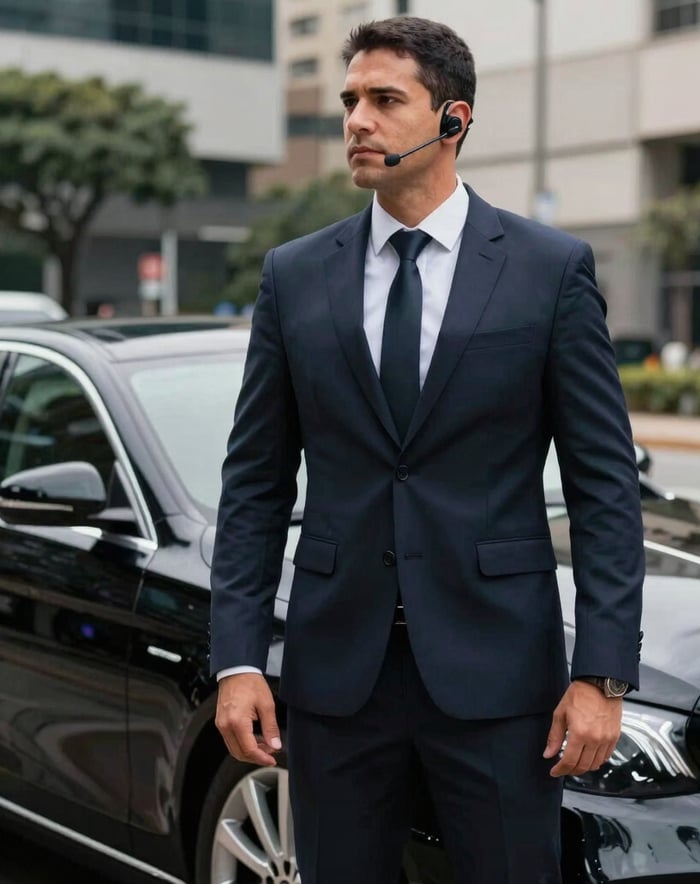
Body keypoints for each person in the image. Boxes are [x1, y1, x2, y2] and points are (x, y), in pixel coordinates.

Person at [210, 15, 644, 884]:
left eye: (384, 100)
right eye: (349, 102)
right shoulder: (294, 275)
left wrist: (603, 676)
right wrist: (239, 657)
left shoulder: (547, 269)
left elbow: (603, 487)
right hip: (337, 679)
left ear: (454, 118)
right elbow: (256, 482)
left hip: (498, 677)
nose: (357, 122)